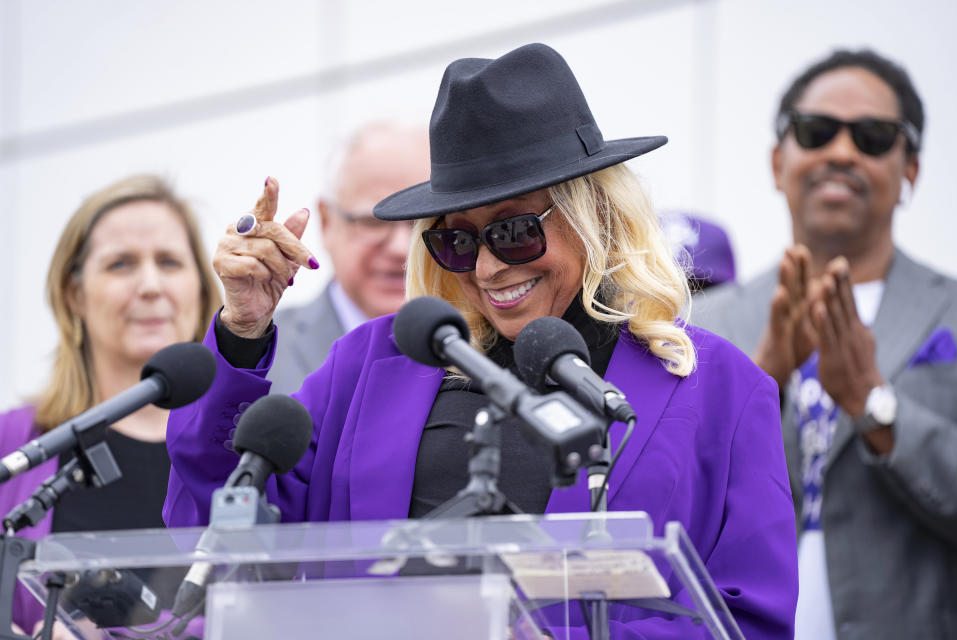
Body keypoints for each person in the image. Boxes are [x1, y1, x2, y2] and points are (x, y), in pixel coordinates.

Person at [164, 43, 798, 637]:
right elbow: (218, 528)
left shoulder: (721, 390)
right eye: (458, 240)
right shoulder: (370, 365)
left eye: (516, 231)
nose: (490, 268)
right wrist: (243, 332)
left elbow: (751, 620)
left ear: (594, 215)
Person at [692, 49, 957, 639]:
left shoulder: (953, 312)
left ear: (910, 168)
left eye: (872, 136)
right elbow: (669, 507)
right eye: (816, 132)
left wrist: (874, 403)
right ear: (776, 160)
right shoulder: (701, 325)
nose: (841, 152)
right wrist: (761, 382)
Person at [0, 174, 221, 636]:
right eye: (121, 264)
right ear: (73, 293)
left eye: (170, 262)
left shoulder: (244, 451)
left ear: (201, 289)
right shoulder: (14, 445)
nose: (150, 285)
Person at [269, 121, 430, 394]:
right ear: (327, 221)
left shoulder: (483, 346)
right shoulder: (262, 354)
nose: (401, 248)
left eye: (422, 222)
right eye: (374, 221)